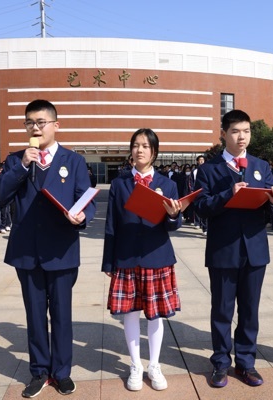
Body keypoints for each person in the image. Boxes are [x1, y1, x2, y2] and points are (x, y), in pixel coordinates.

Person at [0, 99, 95, 398]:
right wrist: (24, 165)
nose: (35, 127)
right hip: (27, 251)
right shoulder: (16, 160)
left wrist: (81, 218)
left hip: (61, 251)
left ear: (55, 125)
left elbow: (85, 198)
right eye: (30, 123)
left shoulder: (73, 160)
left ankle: (62, 372)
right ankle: (39, 371)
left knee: (62, 314)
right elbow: (0, 196)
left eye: (41, 122)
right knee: (35, 315)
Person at [193, 110, 273, 388]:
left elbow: (272, 211)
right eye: (235, 131)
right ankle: (221, 362)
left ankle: (246, 362)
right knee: (222, 309)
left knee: (249, 309)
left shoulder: (261, 166)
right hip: (223, 249)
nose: (241, 136)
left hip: (255, 249)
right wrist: (227, 195)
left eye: (246, 131)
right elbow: (200, 208)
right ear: (223, 134)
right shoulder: (208, 170)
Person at [102, 128, 182, 392]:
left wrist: (172, 215)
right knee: (130, 314)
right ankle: (135, 365)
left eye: (145, 146)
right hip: (126, 257)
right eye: (136, 145)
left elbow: (174, 225)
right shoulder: (120, 183)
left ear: (154, 152)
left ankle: (154, 365)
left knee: (156, 315)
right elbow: (111, 224)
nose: (139, 150)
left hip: (156, 256)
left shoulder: (168, 184)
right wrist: (108, 262)